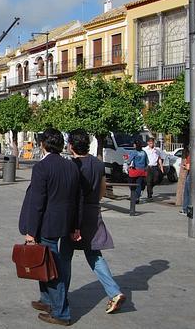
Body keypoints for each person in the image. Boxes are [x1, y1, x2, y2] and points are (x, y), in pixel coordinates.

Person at [18, 128, 80, 326]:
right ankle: (46, 300)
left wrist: (30, 232)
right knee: (44, 263)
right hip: (65, 221)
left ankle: (61, 312)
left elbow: (38, 202)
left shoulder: (42, 168)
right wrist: (76, 225)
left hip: (47, 224)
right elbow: (78, 199)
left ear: (43, 144)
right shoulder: (71, 166)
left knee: (53, 269)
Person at [62, 129, 125, 316]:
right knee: (94, 255)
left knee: (65, 256)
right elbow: (103, 188)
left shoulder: (72, 165)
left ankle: (61, 295)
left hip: (75, 214)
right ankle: (114, 292)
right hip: (93, 210)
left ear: (71, 145)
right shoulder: (98, 164)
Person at [127, 139, 148, 204]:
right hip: (142, 171)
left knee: (131, 182)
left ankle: (134, 195)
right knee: (139, 184)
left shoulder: (134, 152)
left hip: (135, 170)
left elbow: (128, 161)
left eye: (134, 144)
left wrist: (128, 165)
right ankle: (137, 197)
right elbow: (147, 162)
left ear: (136, 145)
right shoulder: (144, 152)